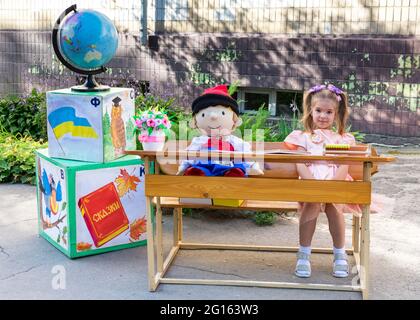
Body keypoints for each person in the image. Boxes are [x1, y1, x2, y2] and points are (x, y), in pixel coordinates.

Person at [284, 84, 357, 278]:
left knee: (334, 206)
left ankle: (340, 254)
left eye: (328, 112)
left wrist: (333, 184)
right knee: (312, 204)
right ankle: (304, 254)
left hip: (336, 182)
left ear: (336, 114)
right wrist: (313, 185)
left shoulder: (342, 138)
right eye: (318, 110)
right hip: (310, 182)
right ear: (310, 111)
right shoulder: (303, 137)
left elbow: (345, 163)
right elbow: (300, 163)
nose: (323, 116)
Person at [177, 84, 263, 177]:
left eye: (223, 113)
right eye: (203, 115)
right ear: (196, 122)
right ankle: (197, 173)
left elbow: (245, 153)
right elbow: (190, 154)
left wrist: (254, 166)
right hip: (204, 166)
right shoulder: (199, 141)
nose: (213, 117)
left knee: (236, 169)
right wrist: (183, 167)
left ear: (234, 120)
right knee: (198, 170)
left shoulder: (233, 140)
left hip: (227, 166)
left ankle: (233, 174)